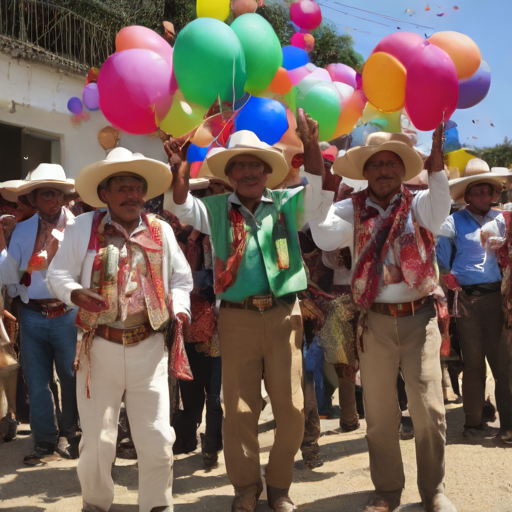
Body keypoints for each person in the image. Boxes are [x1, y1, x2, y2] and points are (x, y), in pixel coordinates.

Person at [167, 109, 332, 512]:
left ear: (266, 170)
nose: (247, 172)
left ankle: (278, 486)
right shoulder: (217, 208)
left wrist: (311, 145)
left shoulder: (287, 204)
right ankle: (245, 488)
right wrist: (180, 167)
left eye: (254, 165)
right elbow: (183, 207)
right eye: (238, 165)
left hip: (283, 314)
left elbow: (318, 194)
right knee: (238, 409)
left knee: (291, 407)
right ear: (229, 174)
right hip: (237, 317)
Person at [309, 128, 457, 512]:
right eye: (376, 163)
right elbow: (324, 236)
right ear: (367, 171)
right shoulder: (350, 209)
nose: (384, 169)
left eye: (391, 162)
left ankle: (434, 491)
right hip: (373, 322)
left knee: (429, 412)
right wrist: (312, 162)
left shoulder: (420, 203)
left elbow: (441, 206)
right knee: (378, 414)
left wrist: (437, 167)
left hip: (419, 318)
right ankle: (388, 490)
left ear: (403, 168)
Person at [46, 147, 193, 512]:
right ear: (105, 195)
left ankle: (157, 505)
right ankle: (96, 504)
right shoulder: (83, 227)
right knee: (97, 441)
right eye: (122, 188)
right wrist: (75, 293)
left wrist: (180, 307)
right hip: (100, 348)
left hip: (149, 346)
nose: (131, 195)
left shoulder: (160, 230)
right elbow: (56, 274)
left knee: (158, 437)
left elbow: (181, 278)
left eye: (137, 188)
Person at [0, 164, 79, 464]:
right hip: (32, 314)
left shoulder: (77, 227)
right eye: (46, 194)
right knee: (37, 380)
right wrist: (5, 244)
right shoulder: (21, 230)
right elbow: (8, 275)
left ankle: (72, 434)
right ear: (33, 199)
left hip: (67, 312)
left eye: (58, 194)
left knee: (71, 376)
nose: (54, 200)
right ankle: (45, 440)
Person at [437, 162, 512, 439]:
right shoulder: (452, 221)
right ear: (467, 197)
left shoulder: (504, 219)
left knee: (503, 363)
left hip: (497, 298)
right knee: (473, 364)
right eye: (477, 192)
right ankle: (473, 422)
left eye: (487, 191)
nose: (483, 196)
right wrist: (450, 283)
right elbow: (441, 262)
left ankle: (508, 426)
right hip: (466, 300)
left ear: (494, 194)